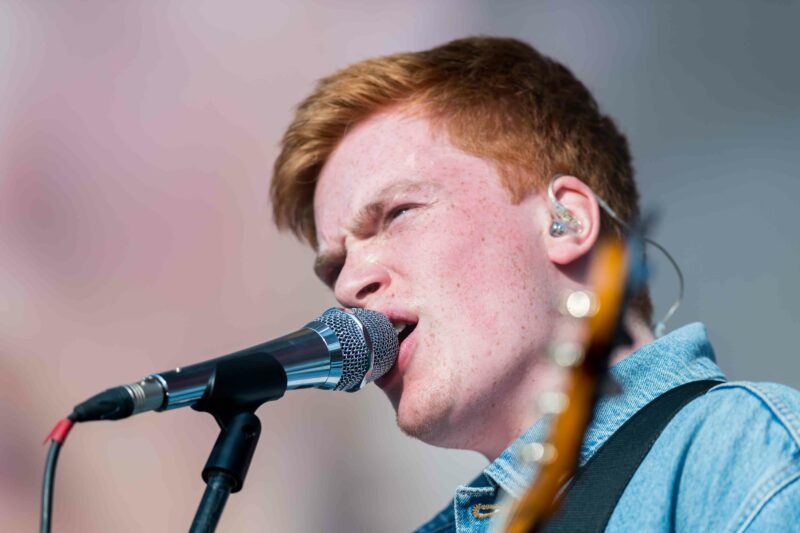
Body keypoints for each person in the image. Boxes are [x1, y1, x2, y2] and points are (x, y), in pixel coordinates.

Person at [269, 37, 800, 532]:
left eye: (398, 213)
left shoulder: (737, 454)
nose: (349, 285)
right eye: (334, 266)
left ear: (566, 221)